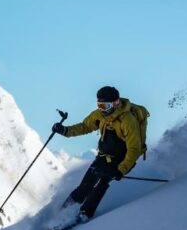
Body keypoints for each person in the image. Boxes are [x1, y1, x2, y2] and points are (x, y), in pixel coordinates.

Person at [52, 86, 145, 222]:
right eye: (99, 105)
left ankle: (85, 213)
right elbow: (84, 126)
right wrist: (65, 130)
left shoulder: (127, 120)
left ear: (115, 103)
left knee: (102, 183)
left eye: (105, 105)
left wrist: (121, 170)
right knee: (86, 184)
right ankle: (61, 213)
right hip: (103, 156)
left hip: (121, 159)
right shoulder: (99, 115)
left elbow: (134, 149)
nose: (102, 109)